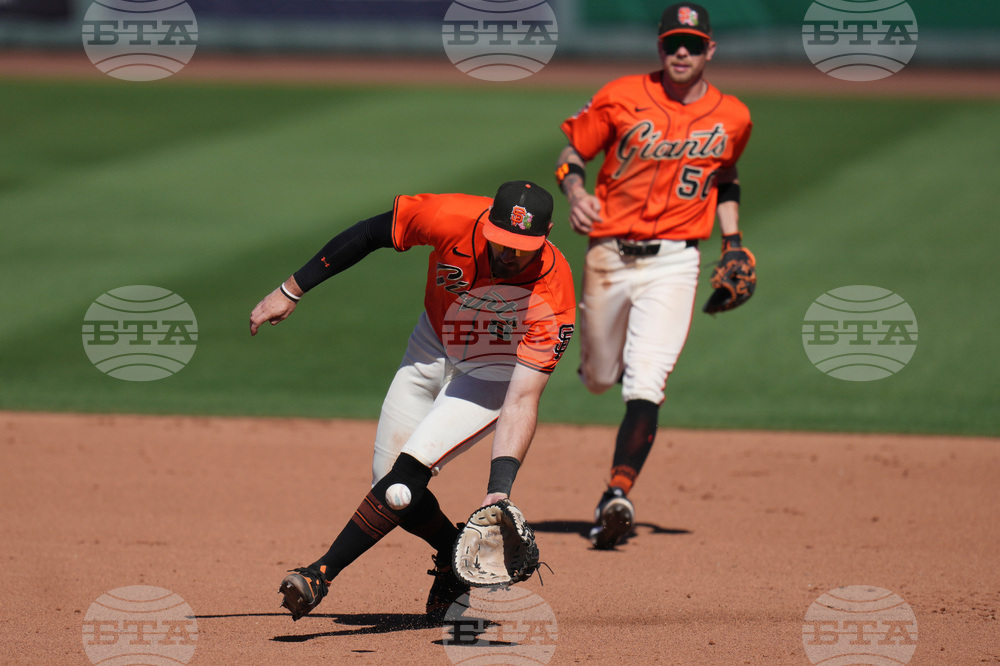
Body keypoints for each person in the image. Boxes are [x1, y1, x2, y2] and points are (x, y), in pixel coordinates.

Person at [249, 181, 576, 620]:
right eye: (503, 243)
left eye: (522, 247)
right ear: (488, 222)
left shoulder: (553, 294)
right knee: (386, 483)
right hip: (431, 344)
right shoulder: (451, 217)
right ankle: (451, 559)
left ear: (548, 232)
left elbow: (521, 400)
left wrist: (499, 488)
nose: (510, 254)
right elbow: (368, 234)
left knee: (405, 477)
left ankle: (319, 574)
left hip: (491, 371)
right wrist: (292, 290)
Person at [553, 3, 754, 549]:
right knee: (598, 379)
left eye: (692, 43)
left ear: (710, 49)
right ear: (660, 48)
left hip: (676, 261)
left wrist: (732, 241)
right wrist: (575, 191)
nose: (681, 52)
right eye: (672, 43)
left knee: (647, 382)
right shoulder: (620, 94)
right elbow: (574, 153)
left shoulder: (733, 115)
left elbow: (727, 175)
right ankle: (609, 366)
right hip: (608, 257)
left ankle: (616, 493)